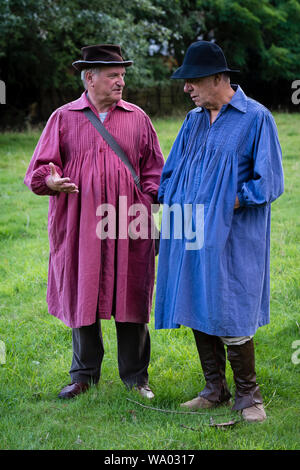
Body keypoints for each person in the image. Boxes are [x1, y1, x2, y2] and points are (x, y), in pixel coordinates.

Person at [24, 44, 164, 399]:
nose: (121, 82)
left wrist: (146, 201)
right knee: (82, 290)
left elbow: (154, 170)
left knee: (131, 292)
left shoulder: (137, 117)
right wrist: (51, 181)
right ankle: (83, 375)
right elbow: (40, 169)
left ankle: (136, 378)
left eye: (122, 76)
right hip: (79, 222)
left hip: (129, 222)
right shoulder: (63, 117)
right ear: (90, 77)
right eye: (113, 76)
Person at [155, 41, 284, 422]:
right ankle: (215, 389)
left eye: (192, 81)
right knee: (197, 299)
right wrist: (165, 199)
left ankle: (249, 395)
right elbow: (173, 169)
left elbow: (270, 181)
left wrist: (230, 200)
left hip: (233, 234)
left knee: (230, 303)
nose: (186, 88)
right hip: (189, 228)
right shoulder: (193, 120)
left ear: (217, 78)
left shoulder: (256, 118)